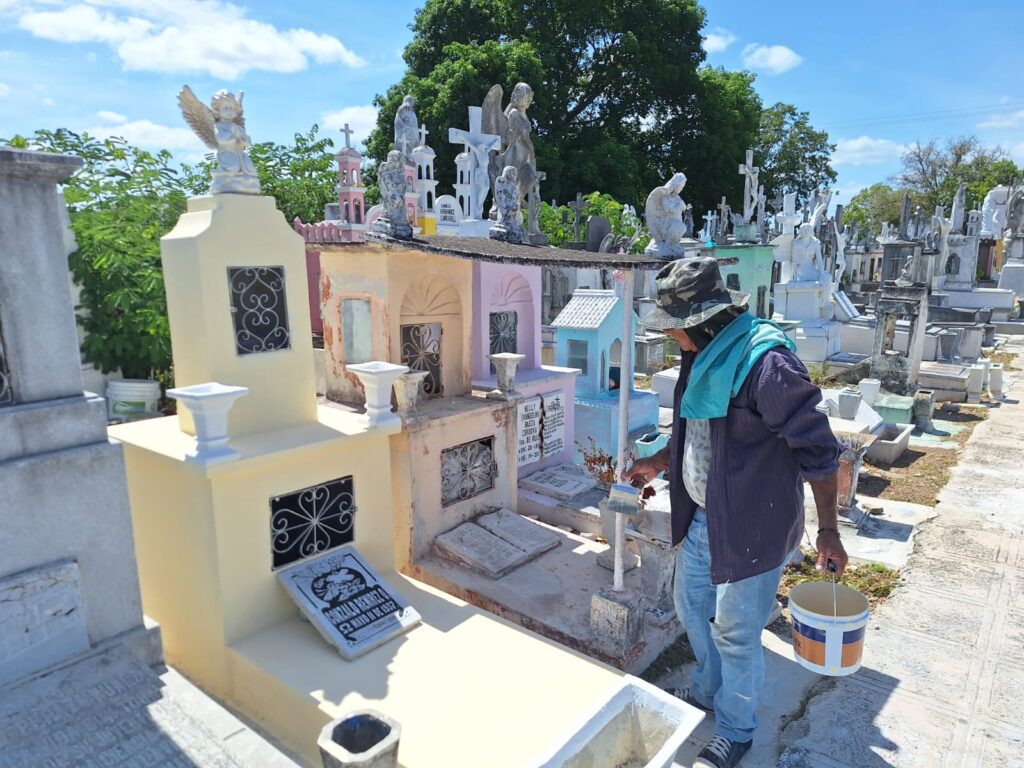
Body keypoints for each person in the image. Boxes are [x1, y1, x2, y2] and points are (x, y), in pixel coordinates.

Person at [624, 257, 848, 768]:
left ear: (701, 322)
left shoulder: (766, 366)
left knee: (736, 632)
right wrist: (657, 464)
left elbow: (818, 452)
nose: (671, 335)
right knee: (691, 607)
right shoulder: (702, 355)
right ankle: (710, 690)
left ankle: (736, 728)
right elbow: (693, 429)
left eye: (676, 326)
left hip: (753, 524)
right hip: (704, 517)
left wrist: (829, 531)